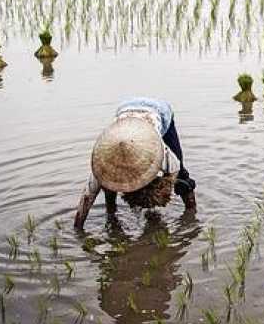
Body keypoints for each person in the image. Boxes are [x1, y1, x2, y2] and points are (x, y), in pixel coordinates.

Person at [74, 98, 196, 228]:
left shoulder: (163, 155)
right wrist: (78, 227)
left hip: (159, 111)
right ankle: (111, 214)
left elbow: (174, 173)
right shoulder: (102, 166)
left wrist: (166, 186)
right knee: (108, 185)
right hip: (125, 110)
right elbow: (87, 198)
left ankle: (192, 214)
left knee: (182, 176)